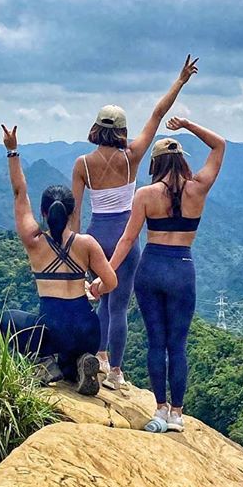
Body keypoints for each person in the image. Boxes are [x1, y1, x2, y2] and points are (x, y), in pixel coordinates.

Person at [71, 56, 198, 391]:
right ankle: (115, 371)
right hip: (126, 237)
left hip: (95, 236)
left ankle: (98, 356)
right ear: (122, 131)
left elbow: (75, 212)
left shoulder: (82, 164)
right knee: (119, 306)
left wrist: (73, 247)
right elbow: (157, 113)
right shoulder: (133, 156)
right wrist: (180, 80)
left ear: (96, 128)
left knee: (101, 296)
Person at [109, 117, 225, 433]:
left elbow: (128, 239)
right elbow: (219, 145)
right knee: (178, 346)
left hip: (150, 268)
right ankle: (177, 414)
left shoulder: (145, 195)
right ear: (182, 161)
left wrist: (106, 274)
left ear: (155, 164)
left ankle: (159, 409)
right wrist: (187, 124)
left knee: (155, 343)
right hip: (182, 268)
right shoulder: (198, 188)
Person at [0, 124, 117, 396]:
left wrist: (12, 151)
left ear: (43, 212)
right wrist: (95, 288)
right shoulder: (86, 244)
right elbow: (111, 281)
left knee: (6, 319)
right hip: (89, 331)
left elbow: (19, 193)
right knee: (71, 348)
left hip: (52, 330)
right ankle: (79, 363)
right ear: (72, 212)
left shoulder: (35, 242)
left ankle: (45, 362)